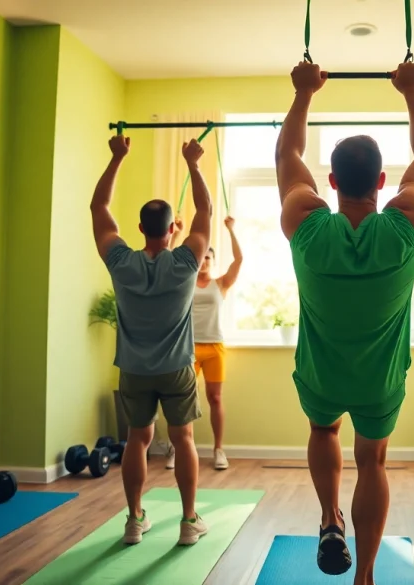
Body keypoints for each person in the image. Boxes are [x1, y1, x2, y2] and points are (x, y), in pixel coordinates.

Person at [275, 60, 414, 585]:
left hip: (321, 374)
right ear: (383, 181)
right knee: (373, 463)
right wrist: (412, 93)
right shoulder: (406, 225)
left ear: (331, 181)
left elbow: (287, 155)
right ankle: (364, 575)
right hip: (380, 380)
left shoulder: (306, 223)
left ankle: (329, 518)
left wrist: (303, 94)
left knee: (323, 429)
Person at [90, 134, 212, 547]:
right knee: (184, 441)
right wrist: (194, 165)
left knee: (136, 441)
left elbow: (99, 209)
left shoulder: (121, 263)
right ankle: (189, 521)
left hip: (134, 370)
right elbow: (206, 211)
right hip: (176, 369)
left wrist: (117, 158)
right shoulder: (185, 262)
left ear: (140, 228)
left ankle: (134, 520)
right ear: (170, 229)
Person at [165, 215, 243, 471]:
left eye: (208, 257)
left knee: (215, 398)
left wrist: (230, 230)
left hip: (214, 348)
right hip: (187, 348)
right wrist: (175, 234)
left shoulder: (220, 283)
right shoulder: (184, 281)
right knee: (182, 401)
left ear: (212, 260)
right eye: (201, 258)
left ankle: (219, 450)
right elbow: (168, 261)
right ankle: (176, 448)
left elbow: (239, 260)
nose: (204, 261)